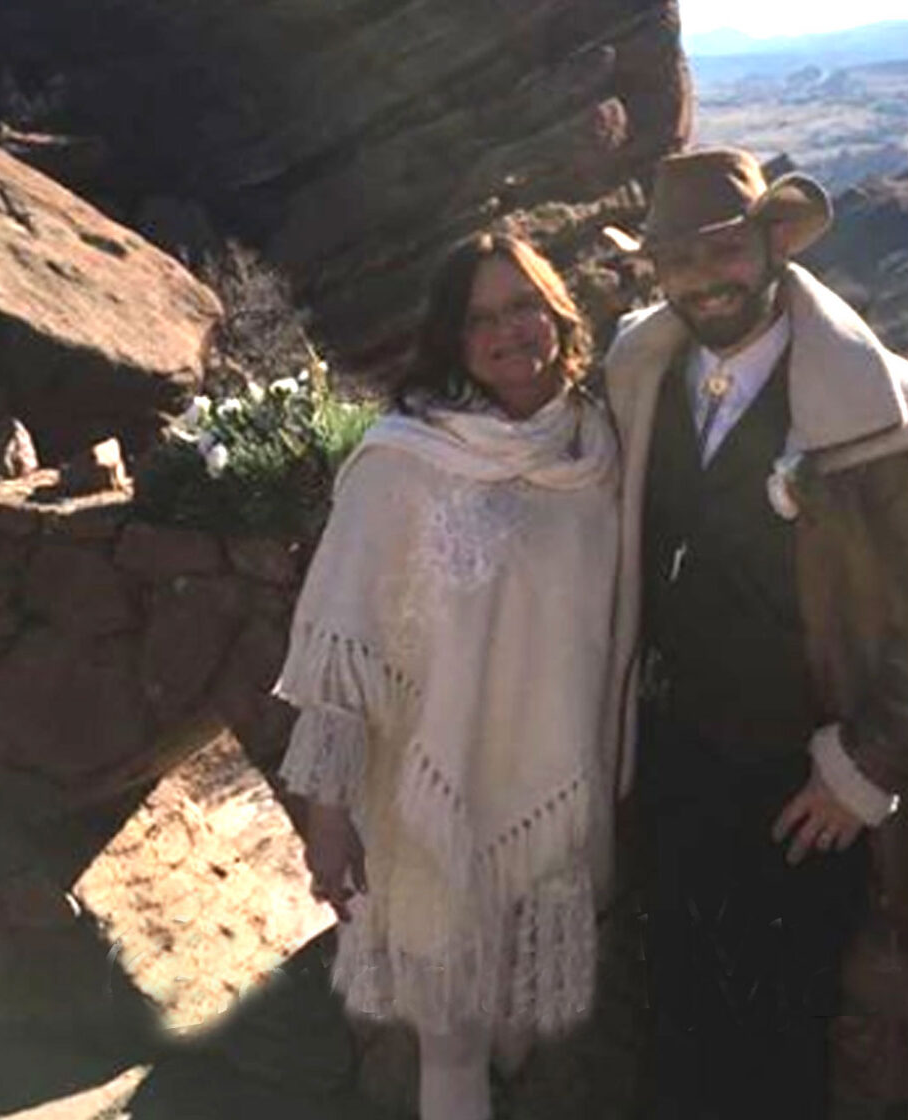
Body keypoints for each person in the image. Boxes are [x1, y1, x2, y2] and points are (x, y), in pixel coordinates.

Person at [600, 148, 908, 1118]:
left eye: (723, 249)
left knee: (783, 1028)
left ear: (772, 245)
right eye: (677, 259)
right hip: (670, 757)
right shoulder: (641, 378)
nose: (703, 278)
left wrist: (863, 765)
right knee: (669, 1005)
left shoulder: (870, 408)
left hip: (799, 776)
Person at [273, 233, 619, 1120]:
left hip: (558, 797)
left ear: (556, 313)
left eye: (522, 306)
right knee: (452, 1039)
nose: (507, 332)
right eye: (479, 320)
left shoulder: (599, 447)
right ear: (453, 342)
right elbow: (345, 644)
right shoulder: (404, 462)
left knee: (516, 1030)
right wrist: (326, 817)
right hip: (425, 798)